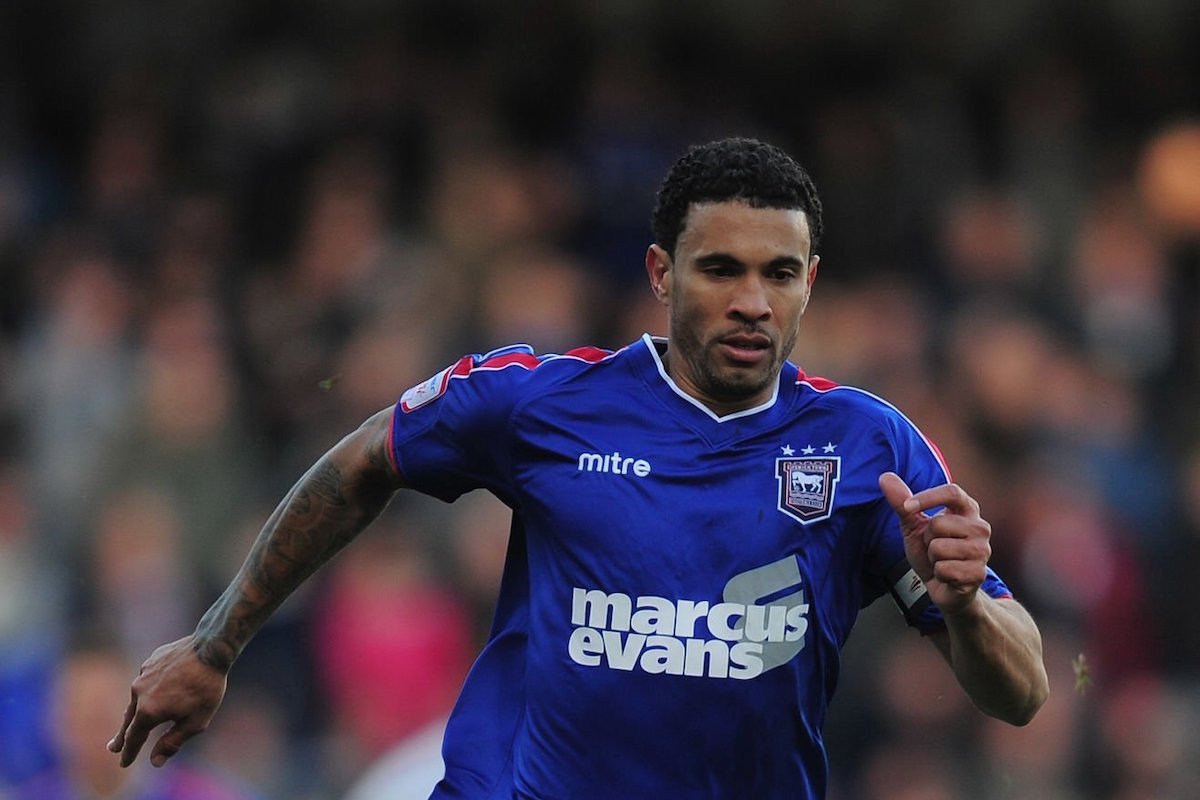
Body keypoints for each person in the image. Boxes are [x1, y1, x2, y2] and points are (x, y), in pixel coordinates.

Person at [108, 137, 1049, 799]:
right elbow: (362, 463)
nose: (753, 302)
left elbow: (1024, 694)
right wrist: (216, 643)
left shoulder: (865, 445)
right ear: (660, 273)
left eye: (781, 273)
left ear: (811, 278)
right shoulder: (538, 402)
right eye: (721, 268)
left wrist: (966, 606)